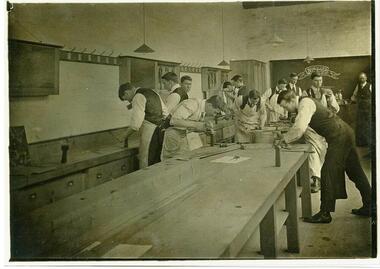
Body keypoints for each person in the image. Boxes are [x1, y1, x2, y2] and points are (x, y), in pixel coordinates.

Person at [277, 90, 372, 223]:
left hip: (340, 136)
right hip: (346, 133)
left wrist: (284, 139)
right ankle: (370, 206)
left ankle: (325, 214)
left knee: (327, 172)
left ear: (292, 100)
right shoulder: (306, 102)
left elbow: (299, 128)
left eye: (285, 106)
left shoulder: (305, 103)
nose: (285, 109)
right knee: (355, 172)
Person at [118, 82, 169, 168]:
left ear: (127, 92)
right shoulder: (152, 92)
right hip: (160, 130)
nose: (129, 101)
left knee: (146, 161)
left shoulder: (138, 97)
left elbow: (135, 125)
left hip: (149, 132)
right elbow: (165, 112)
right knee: (157, 160)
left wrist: (123, 136)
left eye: (127, 99)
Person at [161, 95, 228, 159]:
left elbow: (189, 125)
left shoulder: (202, 110)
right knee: (171, 163)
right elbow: (173, 121)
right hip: (173, 134)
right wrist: (197, 125)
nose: (214, 115)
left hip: (183, 134)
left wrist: (204, 129)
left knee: (183, 160)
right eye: (215, 112)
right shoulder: (193, 104)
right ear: (210, 105)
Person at [351, 72, 372, 151]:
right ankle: (360, 143)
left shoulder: (370, 86)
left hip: (368, 109)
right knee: (360, 125)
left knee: (367, 125)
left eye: (363, 78)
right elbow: (354, 95)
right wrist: (354, 99)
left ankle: (367, 143)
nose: (361, 79)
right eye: (360, 78)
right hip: (360, 109)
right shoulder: (358, 86)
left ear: (366, 78)